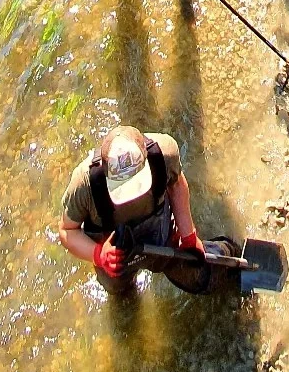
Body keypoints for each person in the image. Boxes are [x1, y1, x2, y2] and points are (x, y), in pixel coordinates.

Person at [57, 124, 207, 293]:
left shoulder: (164, 154)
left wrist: (188, 235)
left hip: (161, 236)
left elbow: (176, 185)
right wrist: (98, 255)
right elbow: (67, 231)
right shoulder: (84, 184)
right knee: (121, 292)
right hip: (114, 259)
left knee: (195, 272)